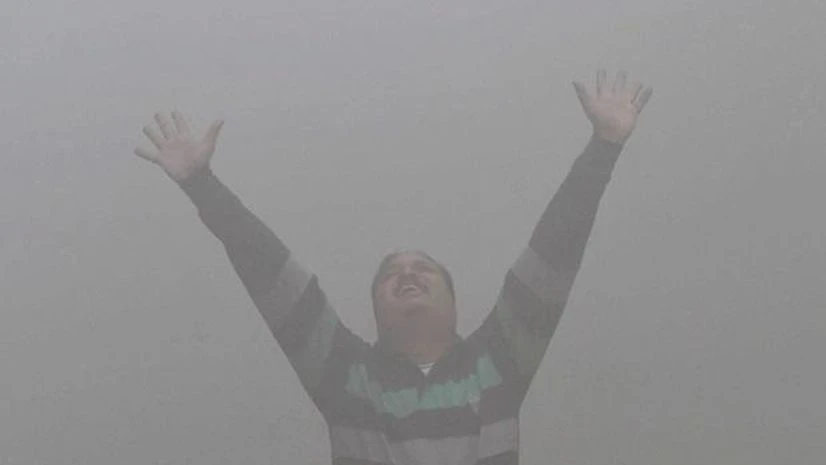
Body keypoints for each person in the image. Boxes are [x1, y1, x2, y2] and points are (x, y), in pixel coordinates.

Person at [134, 69, 652, 465]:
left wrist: (603, 150)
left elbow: (553, 255)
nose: (406, 274)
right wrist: (202, 184)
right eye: (390, 273)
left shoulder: (499, 362)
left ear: (453, 301)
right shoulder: (343, 374)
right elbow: (272, 274)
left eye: (423, 268)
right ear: (375, 307)